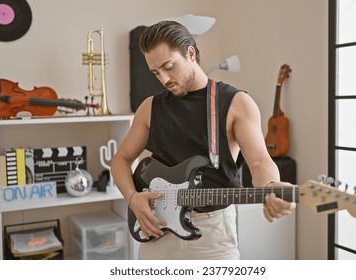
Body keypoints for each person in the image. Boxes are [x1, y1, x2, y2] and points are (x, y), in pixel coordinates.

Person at [110, 20, 296, 260]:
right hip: (157, 231)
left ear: (190, 53)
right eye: (156, 73)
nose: (164, 79)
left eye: (169, 66)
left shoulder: (237, 103)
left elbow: (259, 161)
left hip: (213, 235)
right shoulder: (150, 108)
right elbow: (120, 160)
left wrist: (271, 187)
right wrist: (133, 198)